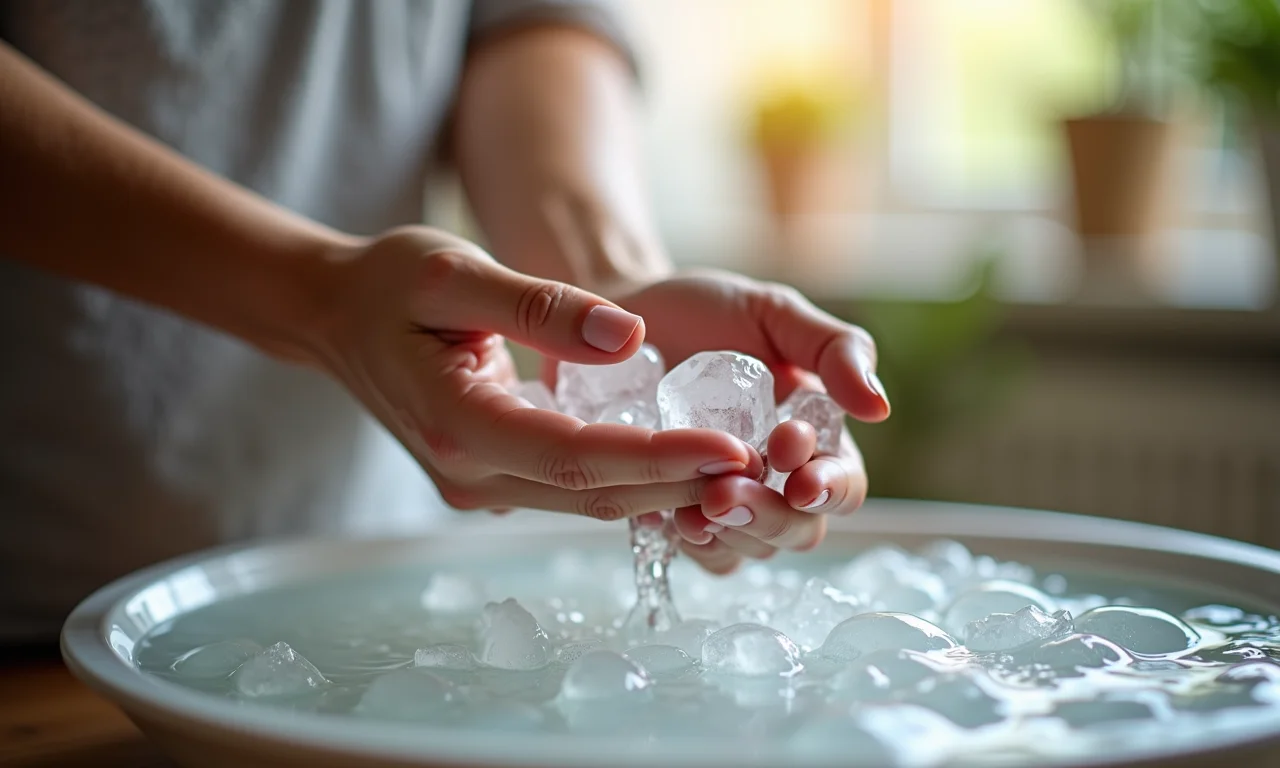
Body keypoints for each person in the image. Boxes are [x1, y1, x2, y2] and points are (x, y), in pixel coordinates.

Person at [0, 0, 889, 646]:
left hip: (376, 568)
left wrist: (610, 284)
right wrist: (319, 297)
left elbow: (527, 21)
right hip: (40, 582)